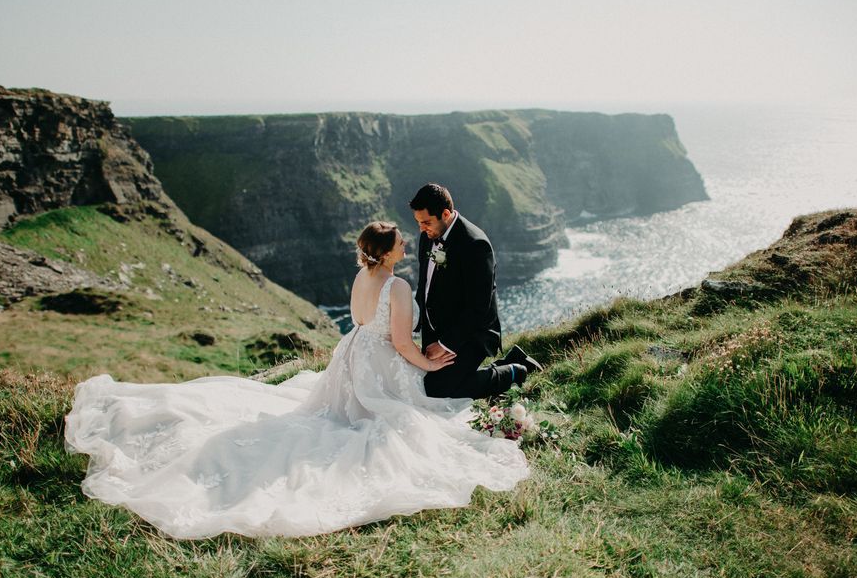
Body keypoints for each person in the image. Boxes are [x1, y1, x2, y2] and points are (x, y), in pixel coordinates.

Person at [65, 221, 529, 539]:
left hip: (353, 355)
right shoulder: (399, 285)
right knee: (405, 416)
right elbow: (402, 343)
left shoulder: (361, 277)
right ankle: (503, 374)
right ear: (387, 253)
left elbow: (358, 321)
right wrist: (427, 365)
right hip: (382, 360)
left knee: (339, 414)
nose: (408, 247)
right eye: (401, 245)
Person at [409, 183, 541, 401]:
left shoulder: (475, 244)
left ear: (445, 214)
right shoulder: (428, 236)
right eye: (418, 222)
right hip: (437, 330)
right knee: (422, 384)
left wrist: (444, 345)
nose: (422, 228)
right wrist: (417, 328)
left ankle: (514, 370)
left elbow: (478, 308)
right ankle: (505, 364)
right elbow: (425, 285)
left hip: (472, 334)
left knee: (438, 391)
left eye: (426, 222)